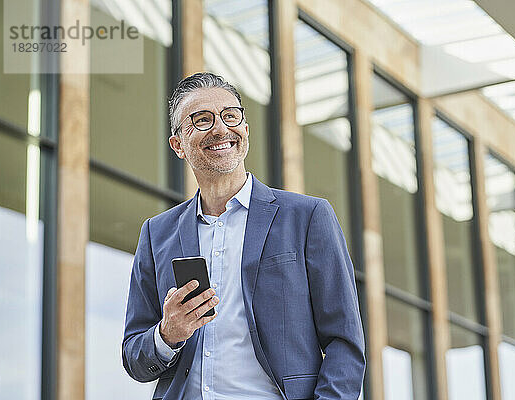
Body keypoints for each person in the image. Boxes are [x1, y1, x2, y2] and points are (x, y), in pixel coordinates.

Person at [121, 72, 365, 400]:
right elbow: (134, 356)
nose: (221, 128)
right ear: (178, 144)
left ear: (245, 130)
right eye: (202, 120)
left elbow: (345, 343)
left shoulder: (307, 217)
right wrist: (167, 334)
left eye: (230, 116)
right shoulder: (157, 234)